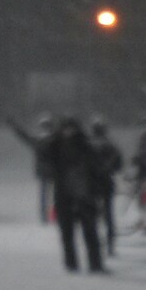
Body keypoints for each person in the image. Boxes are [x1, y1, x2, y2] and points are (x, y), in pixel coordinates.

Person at [48, 117, 106, 274]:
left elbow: (96, 170)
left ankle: (83, 264)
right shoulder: (56, 147)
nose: (68, 133)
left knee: (83, 233)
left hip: (80, 195)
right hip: (74, 195)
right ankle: (82, 264)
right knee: (79, 233)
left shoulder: (78, 147)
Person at [8, 112, 57, 223]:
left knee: (44, 196)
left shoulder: (38, 141)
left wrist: (14, 126)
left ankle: (44, 217)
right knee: (54, 196)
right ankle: (53, 217)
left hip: (43, 172)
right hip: (54, 172)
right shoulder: (55, 140)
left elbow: (24, 136)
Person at [89, 116, 124, 257]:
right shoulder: (110, 145)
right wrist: (108, 169)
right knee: (109, 216)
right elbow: (118, 165)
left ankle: (96, 243)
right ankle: (110, 245)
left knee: (93, 215)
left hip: (92, 185)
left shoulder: (89, 145)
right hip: (106, 183)